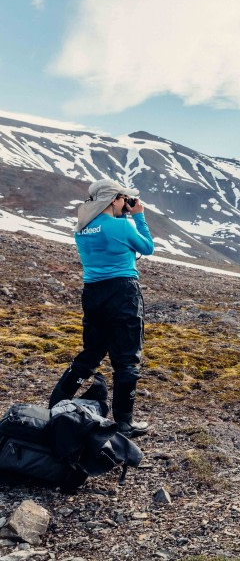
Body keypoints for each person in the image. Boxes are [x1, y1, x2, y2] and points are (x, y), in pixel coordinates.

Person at [49, 178, 155, 438]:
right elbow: (148, 247)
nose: (126, 203)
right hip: (123, 292)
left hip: (93, 292)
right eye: (123, 198)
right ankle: (124, 423)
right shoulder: (120, 226)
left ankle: (55, 404)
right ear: (113, 200)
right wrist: (138, 217)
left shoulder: (82, 227)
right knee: (127, 359)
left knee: (92, 352)